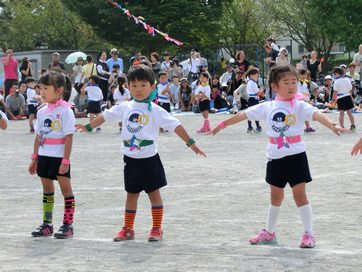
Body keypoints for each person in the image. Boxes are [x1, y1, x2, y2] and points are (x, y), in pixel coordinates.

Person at [208, 65, 348, 248]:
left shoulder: (299, 105)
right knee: (275, 197)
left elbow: (317, 115)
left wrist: (332, 125)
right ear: (274, 86)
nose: (291, 86)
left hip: (296, 157)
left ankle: (308, 234)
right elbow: (243, 115)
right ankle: (269, 233)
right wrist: (222, 125)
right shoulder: (268, 106)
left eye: (294, 82)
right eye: (286, 82)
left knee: (300, 196)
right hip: (275, 158)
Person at [76, 65, 205, 242]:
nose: (138, 89)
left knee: (154, 194)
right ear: (128, 86)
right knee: (131, 194)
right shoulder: (125, 107)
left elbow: (175, 125)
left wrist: (191, 143)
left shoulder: (155, 110)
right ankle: (128, 229)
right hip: (130, 160)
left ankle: (157, 228)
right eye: (134, 85)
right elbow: (105, 116)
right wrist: (88, 126)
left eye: (143, 85)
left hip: (150, 160)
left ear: (152, 87)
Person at [28, 71, 76, 239]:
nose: (42, 92)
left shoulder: (65, 111)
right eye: (40, 88)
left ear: (59, 90)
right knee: (47, 191)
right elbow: (38, 136)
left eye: (46, 88)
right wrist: (34, 158)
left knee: (66, 191)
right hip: (44, 156)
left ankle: (68, 225)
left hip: (59, 157)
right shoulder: (41, 112)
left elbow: (69, 137)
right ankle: (47, 224)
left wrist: (65, 160)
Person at [246, 68, 263, 133]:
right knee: (256, 114)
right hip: (254, 100)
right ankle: (258, 127)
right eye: (256, 74)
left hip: (250, 100)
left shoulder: (249, 82)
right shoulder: (252, 83)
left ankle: (249, 127)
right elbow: (258, 93)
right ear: (251, 75)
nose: (257, 76)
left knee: (250, 113)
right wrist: (262, 90)